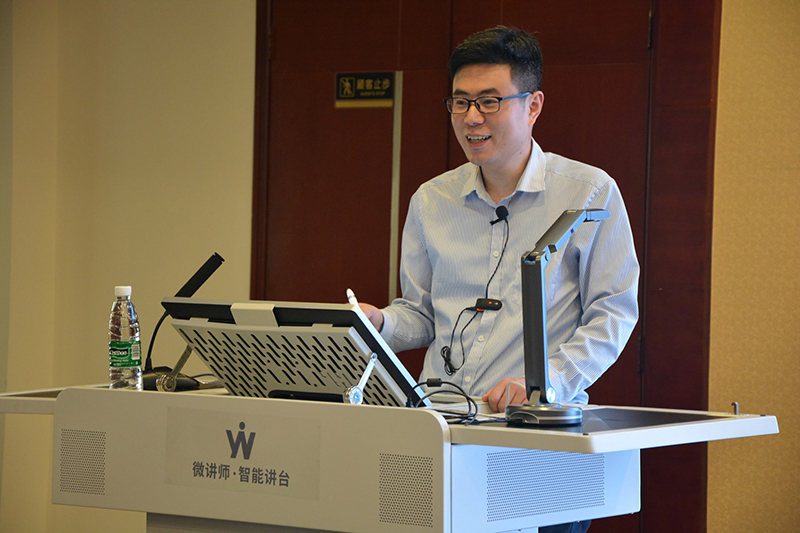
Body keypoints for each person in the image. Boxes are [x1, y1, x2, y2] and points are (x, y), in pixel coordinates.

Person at [360, 27, 639, 532]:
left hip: (539, 445)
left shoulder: (588, 193)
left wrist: (545, 383)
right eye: (460, 102)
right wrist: (379, 322)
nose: (471, 118)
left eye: (490, 102)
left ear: (533, 106)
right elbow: (421, 314)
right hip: (438, 433)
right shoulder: (431, 200)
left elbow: (613, 313)